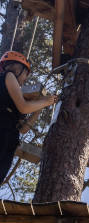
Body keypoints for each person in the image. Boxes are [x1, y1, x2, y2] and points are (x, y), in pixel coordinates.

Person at [0, 51, 57, 184]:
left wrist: (38, 108)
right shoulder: (8, 75)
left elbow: (23, 128)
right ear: (17, 67)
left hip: (9, 134)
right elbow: (24, 107)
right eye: (26, 73)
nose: (25, 78)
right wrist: (48, 101)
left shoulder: (10, 95)